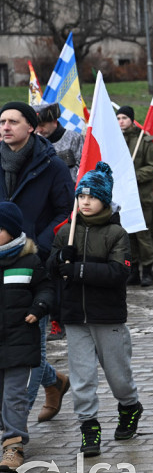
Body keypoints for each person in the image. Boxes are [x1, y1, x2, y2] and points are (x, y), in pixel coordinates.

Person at [49, 163, 143, 457]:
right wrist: (58, 259)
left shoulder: (116, 233)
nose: (85, 202)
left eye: (91, 197)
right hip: (76, 317)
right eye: (81, 197)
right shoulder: (66, 230)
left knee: (118, 376)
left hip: (108, 317)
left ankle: (129, 405)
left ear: (104, 199)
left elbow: (117, 273)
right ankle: (89, 427)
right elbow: (51, 270)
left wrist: (76, 268)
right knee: (82, 377)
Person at [0, 102, 74, 423]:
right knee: (10, 349)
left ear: (30, 127)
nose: (5, 127)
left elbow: (65, 211)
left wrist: (38, 246)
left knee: (31, 352)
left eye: (12, 121)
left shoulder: (51, 165)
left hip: (35, 266)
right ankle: (55, 381)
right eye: (2, 121)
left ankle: (12, 433)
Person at [0, 203, 54, 473]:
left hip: (20, 338)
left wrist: (39, 308)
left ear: (11, 230)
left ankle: (14, 444)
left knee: (14, 395)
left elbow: (45, 287)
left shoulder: (28, 260)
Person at [117, 106, 153, 287]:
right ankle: (133, 270)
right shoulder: (115, 141)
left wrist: (135, 175)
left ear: (132, 120)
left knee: (143, 234)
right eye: (118, 118)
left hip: (141, 196)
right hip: (122, 197)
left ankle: (147, 271)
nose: (121, 121)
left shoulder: (144, 141)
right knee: (128, 236)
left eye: (124, 118)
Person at [34, 103, 84, 180]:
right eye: (36, 126)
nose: (38, 130)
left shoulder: (75, 138)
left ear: (54, 121)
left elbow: (82, 169)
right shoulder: (34, 142)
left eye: (42, 125)